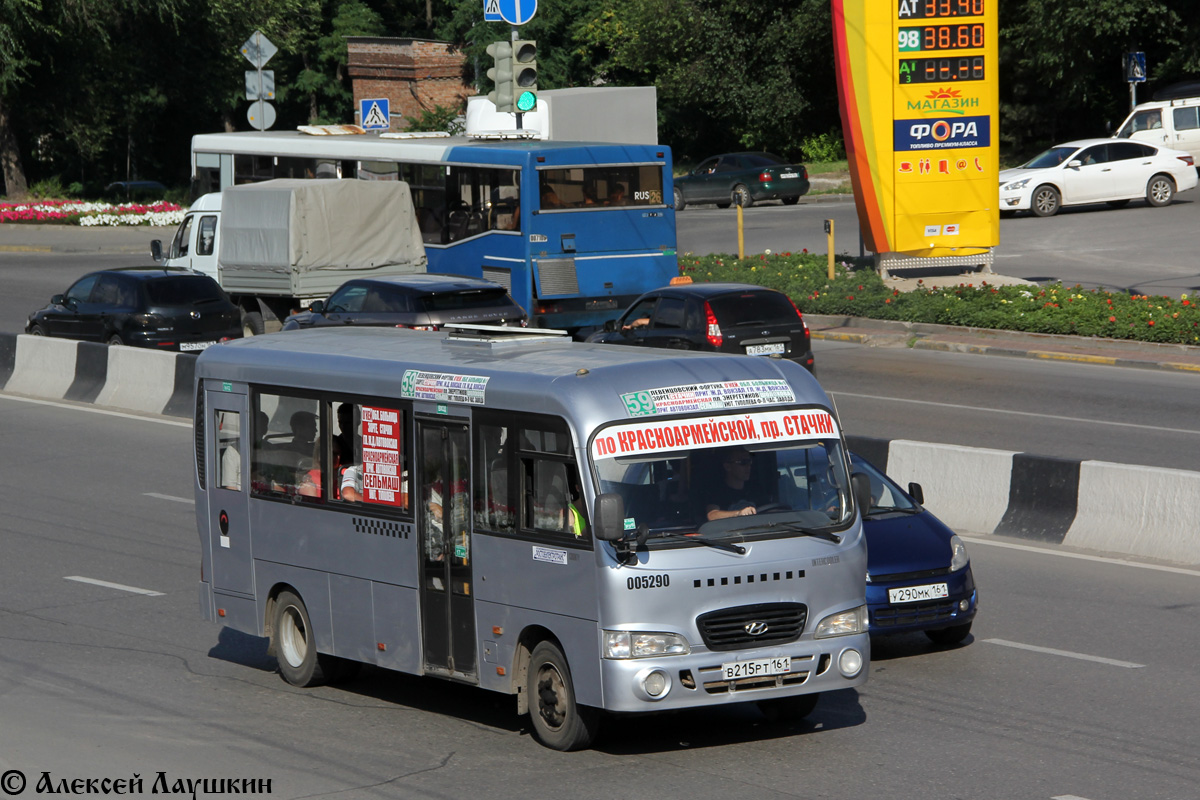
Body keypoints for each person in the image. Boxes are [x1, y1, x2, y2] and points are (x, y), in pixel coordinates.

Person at [705, 447, 762, 520]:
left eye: (749, 461)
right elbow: (712, 515)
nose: (748, 466)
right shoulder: (717, 492)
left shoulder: (755, 489)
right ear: (727, 466)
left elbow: (771, 510)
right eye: (743, 462)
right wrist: (739, 513)